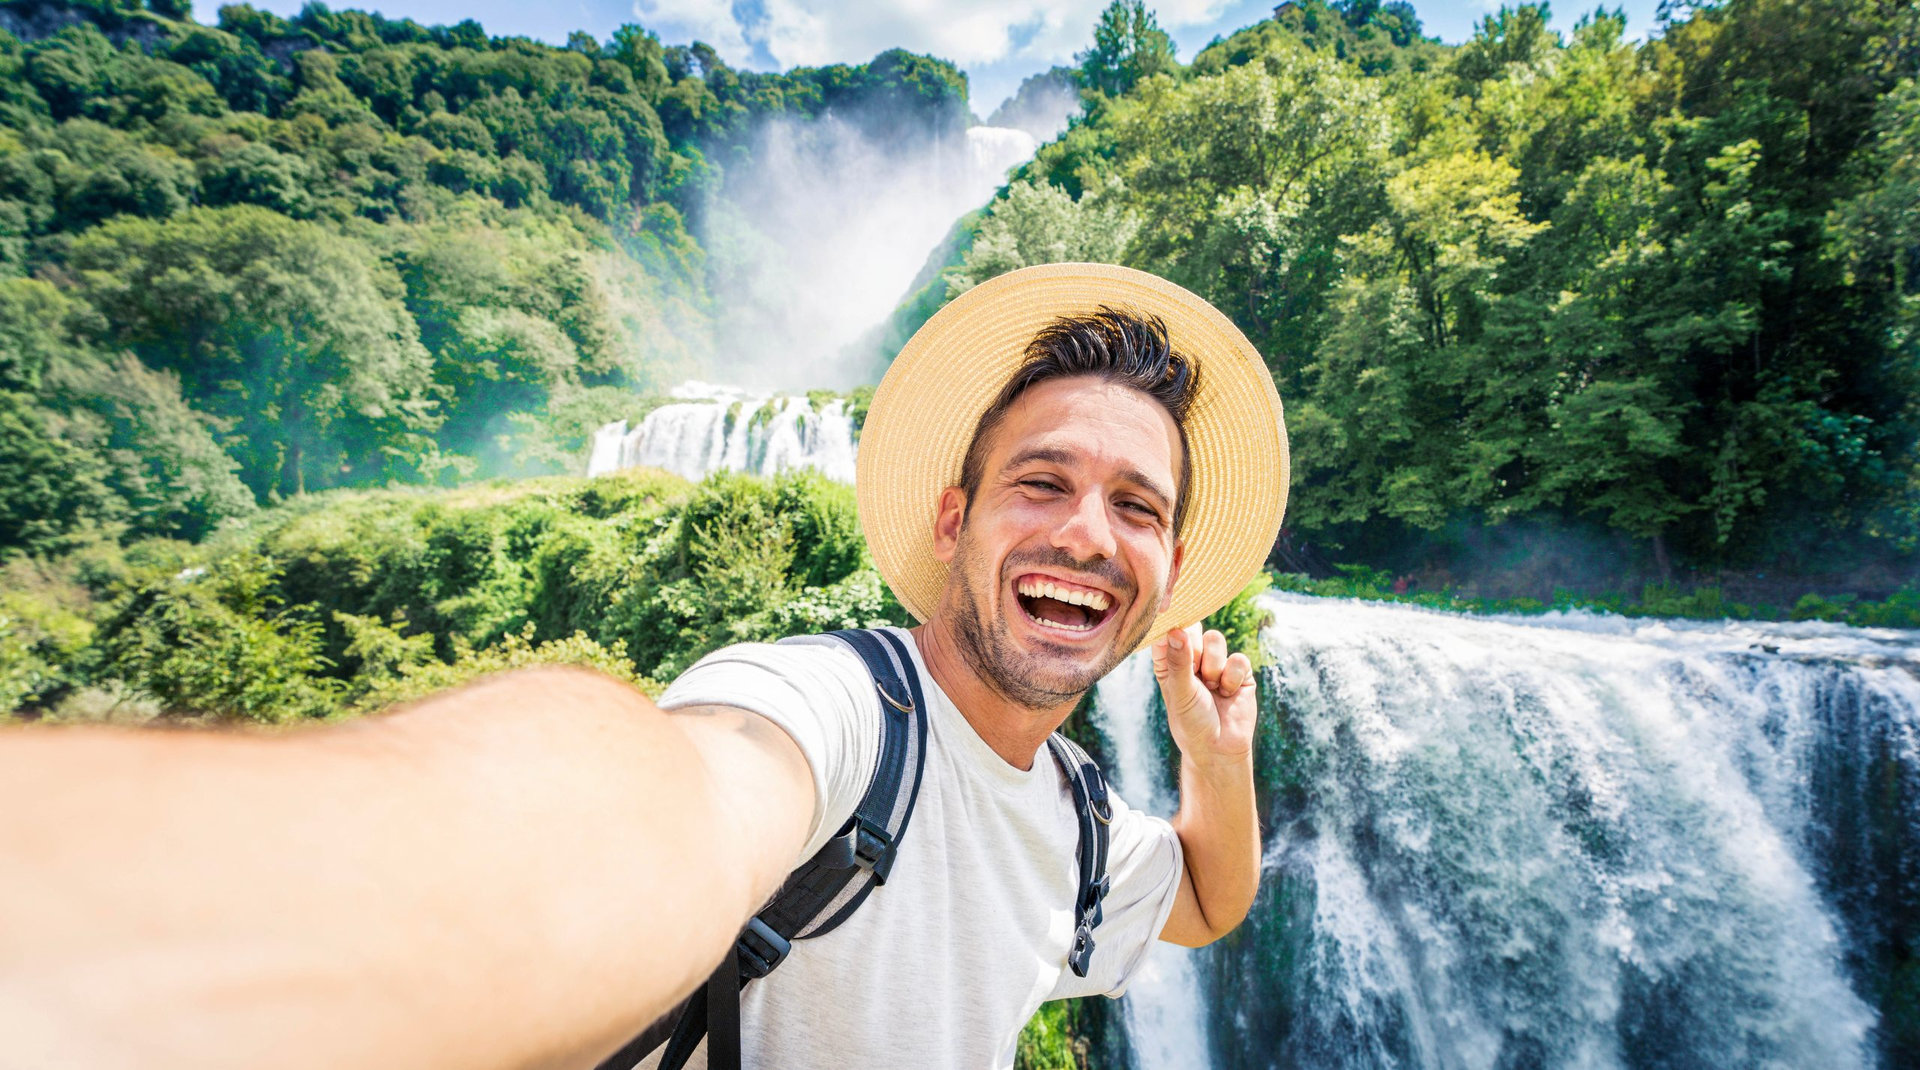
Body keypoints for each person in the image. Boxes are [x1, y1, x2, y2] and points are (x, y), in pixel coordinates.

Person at [0, 262, 1289, 1070]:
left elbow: (1207, 899)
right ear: (953, 524)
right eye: (1042, 481)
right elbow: (648, 804)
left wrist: (1210, 755)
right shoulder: (837, 713)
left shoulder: (1070, 820)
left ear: (1170, 563)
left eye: (1136, 505)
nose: (1084, 532)